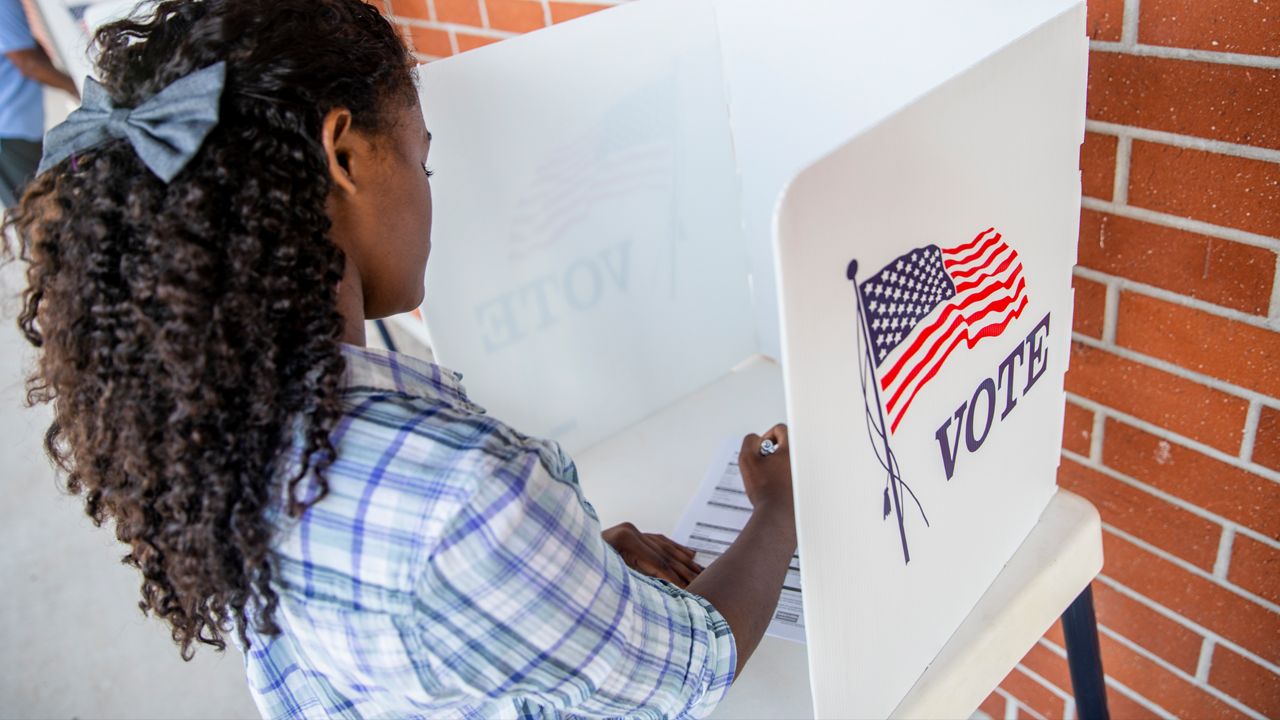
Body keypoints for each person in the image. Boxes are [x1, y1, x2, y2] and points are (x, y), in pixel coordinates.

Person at [2, 0, 797, 717]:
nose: (428, 187)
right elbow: (696, 662)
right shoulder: (461, 497)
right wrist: (778, 511)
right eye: (423, 159)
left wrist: (560, 585)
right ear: (343, 156)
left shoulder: (214, 431)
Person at [0, 0, 77, 208]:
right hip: (8, 133)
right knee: (41, 212)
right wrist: (81, 88)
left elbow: (29, 47)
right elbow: (29, 63)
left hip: (14, 128)